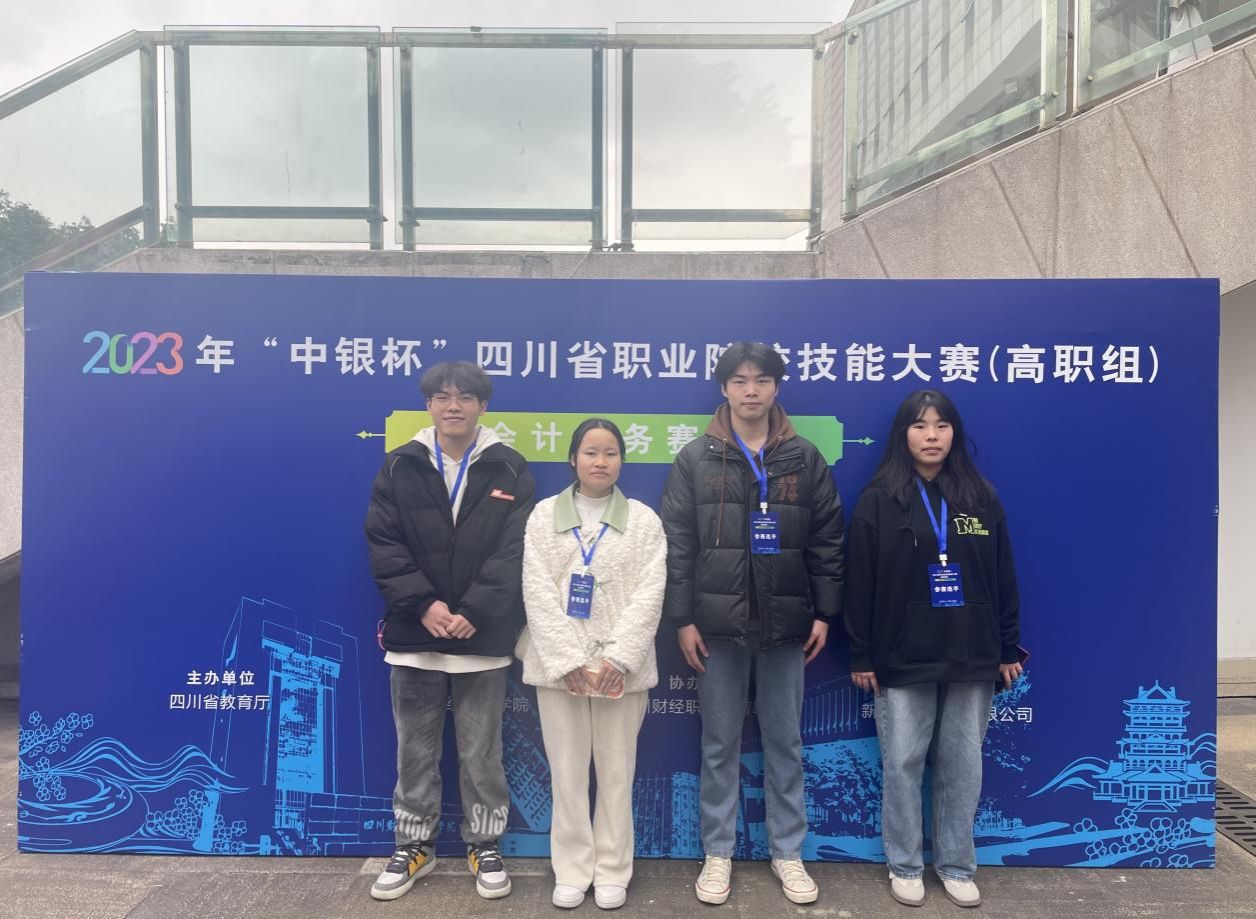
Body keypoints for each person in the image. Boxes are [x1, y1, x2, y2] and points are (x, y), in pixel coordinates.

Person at [660, 341, 845, 906]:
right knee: (719, 742)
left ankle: (787, 852)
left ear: (776, 387)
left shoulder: (803, 458)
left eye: (761, 380)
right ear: (723, 388)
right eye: (739, 380)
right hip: (717, 626)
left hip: (788, 624)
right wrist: (683, 618)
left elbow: (828, 540)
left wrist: (824, 611)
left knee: (785, 741)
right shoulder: (697, 458)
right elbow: (678, 545)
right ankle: (717, 851)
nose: (750, 390)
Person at [845, 390, 1024, 910]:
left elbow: (1003, 576)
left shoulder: (980, 497)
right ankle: (904, 864)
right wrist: (861, 654)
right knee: (903, 760)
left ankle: (956, 865)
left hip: (972, 650)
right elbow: (859, 583)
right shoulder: (879, 499)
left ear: (954, 434)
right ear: (903, 434)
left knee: (962, 763)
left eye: (942, 426)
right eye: (920, 426)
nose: (931, 436)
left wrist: (1007, 645)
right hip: (901, 654)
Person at [364, 361, 536, 903]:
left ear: (483, 405)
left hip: (481, 637)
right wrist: (425, 605)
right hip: (415, 635)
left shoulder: (509, 467)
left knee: (482, 752)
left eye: (465, 397)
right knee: (414, 751)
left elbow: (518, 549)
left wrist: (476, 609)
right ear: (429, 405)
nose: (453, 405)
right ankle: (414, 845)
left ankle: (485, 844)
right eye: (442, 396)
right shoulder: (401, 464)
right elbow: (384, 542)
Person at [519, 418, 667, 911]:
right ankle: (572, 869)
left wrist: (618, 657)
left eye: (610, 453)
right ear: (573, 459)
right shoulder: (543, 515)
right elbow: (536, 591)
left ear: (622, 460)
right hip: (559, 669)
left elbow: (651, 594)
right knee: (566, 773)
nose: (600, 461)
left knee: (617, 773)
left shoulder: (644, 520)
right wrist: (567, 660)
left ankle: (612, 870)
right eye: (590, 452)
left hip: (620, 672)